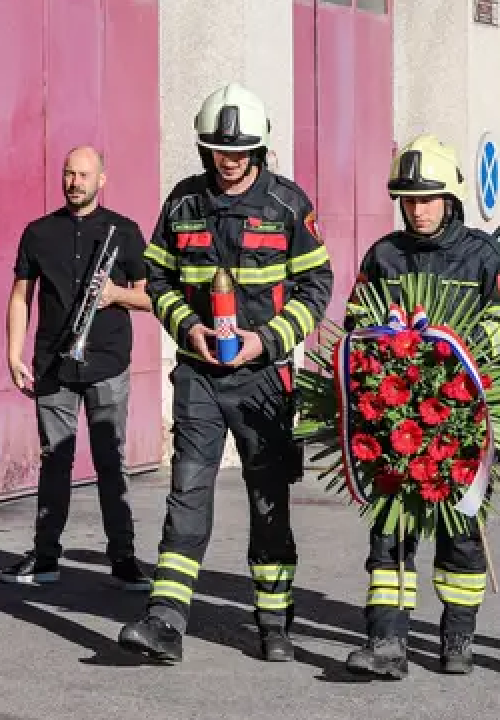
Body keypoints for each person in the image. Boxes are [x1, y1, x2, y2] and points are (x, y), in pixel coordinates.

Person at [117, 83, 333, 664]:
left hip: (264, 379)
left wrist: (266, 339)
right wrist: (188, 328)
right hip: (199, 375)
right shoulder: (183, 203)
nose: (228, 160)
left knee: (268, 500)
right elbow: (156, 278)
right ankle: (165, 619)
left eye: (239, 152)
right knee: (188, 490)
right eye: (217, 150)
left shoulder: (288, 205)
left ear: (259, 150)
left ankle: (272, 621)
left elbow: (318, 286)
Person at [341, 133, 500, 679]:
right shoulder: (384, 255)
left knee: (461, 530)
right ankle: (385, 642)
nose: (417, 209)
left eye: (427, 199)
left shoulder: (485, 255)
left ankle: (457, 638)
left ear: (450, 198)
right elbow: (359, 322)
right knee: (388, 531)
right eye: (408, 199)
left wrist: (463, 353)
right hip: (396, 420)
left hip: (461, 420)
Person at [0, 146, 153, 591]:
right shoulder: (38, 232)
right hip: (53, 363)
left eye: (84, 175)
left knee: (111, 461)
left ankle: (123, 558)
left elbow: (151, 297)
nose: (75, 182)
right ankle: (45, 556)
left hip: (106, 360)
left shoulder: (124, 232)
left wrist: (115, 296)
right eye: (69, 173)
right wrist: (13, 354)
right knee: (54, 461)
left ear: (101, 180)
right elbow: (19, 296)